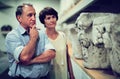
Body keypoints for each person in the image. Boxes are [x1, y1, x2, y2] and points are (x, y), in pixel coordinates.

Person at [5, 3, 56, 79]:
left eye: (34, 15)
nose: (34, 18)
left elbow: (51, 54)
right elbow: (25, 57)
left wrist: (31, 61)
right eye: (30, 15)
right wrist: (33, 38)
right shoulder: (12, 36)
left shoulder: (41, 33)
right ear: (19, 18)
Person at [39, 7, 75, 79]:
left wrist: (71, 74)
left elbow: (67, 57)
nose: (52, 20)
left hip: (63, 73)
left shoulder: (63, 35)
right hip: (48, 74)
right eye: (48, 18)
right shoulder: (41, 38)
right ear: (44, 21)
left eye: (53, 17)